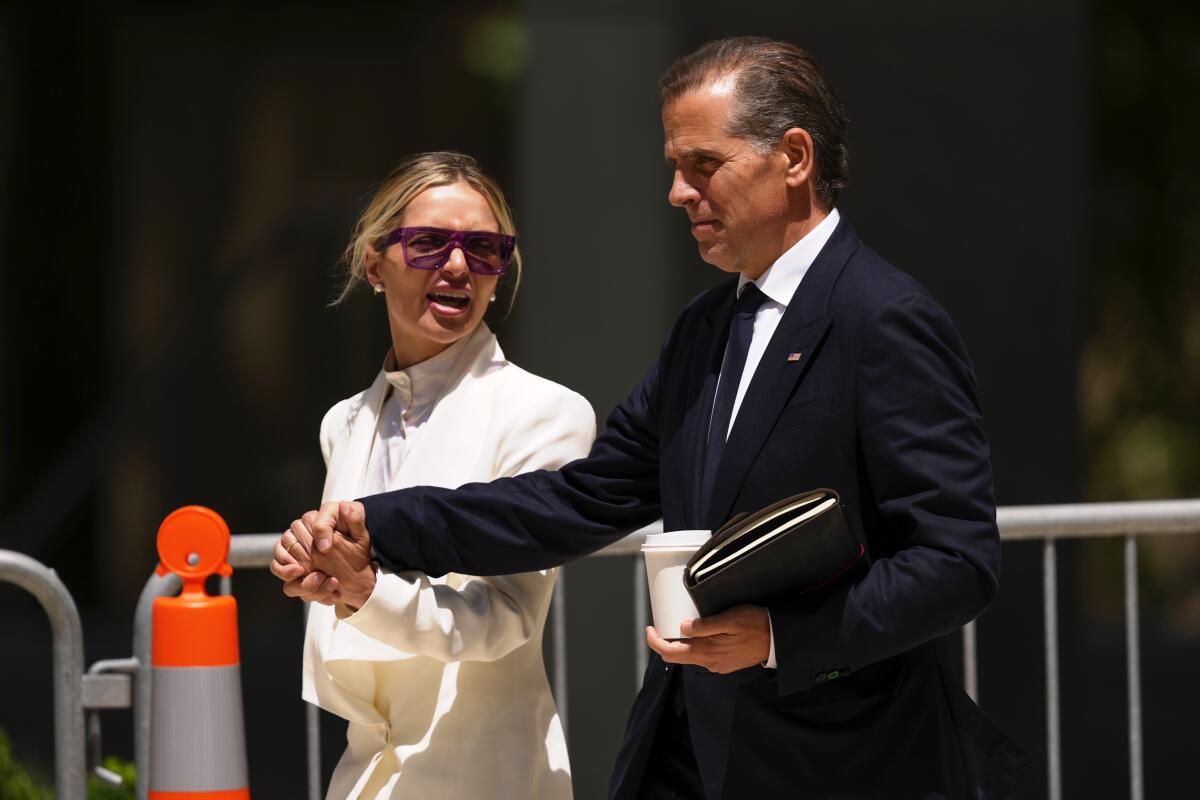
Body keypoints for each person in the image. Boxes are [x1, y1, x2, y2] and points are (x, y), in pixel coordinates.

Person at [278, 38, 1030, 799]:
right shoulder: (704, 330)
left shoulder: (886, 319)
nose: (677, 191)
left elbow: (956, 564)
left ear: (794, 157)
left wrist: (778, 638)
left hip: (845, 763)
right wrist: (376, 526)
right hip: (692, 755)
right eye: (675, 165)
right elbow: (577, 500)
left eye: (704, 164)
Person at [270, 151, 593, 799]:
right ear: (375, 263)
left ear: (500, 273)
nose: (455, 266)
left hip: (488, 774)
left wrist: (364, 592)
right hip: (364, 777)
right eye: (426, 244)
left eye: (482, 249)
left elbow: (506, 616)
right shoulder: (347, 422)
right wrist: (308, 560)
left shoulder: (546, 413)